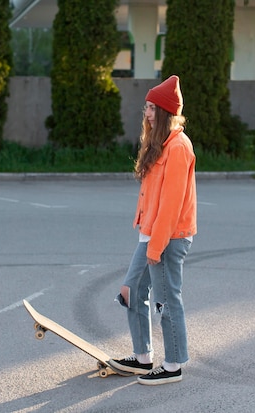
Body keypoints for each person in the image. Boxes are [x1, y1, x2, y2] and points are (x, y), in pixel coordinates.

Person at [109, 75, 197, 385]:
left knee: (166, 300)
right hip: (151, 234)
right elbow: (152, 194)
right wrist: (143, 228)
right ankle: (143, 358)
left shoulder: (179, 148)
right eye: (145, 107)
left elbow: (171, 205)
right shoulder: (160, 144)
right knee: (131, 292)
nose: (146, 113)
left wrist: (155, 247)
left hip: (168, 238)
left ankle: (173, 365)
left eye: (151, 108)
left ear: (165, 112)